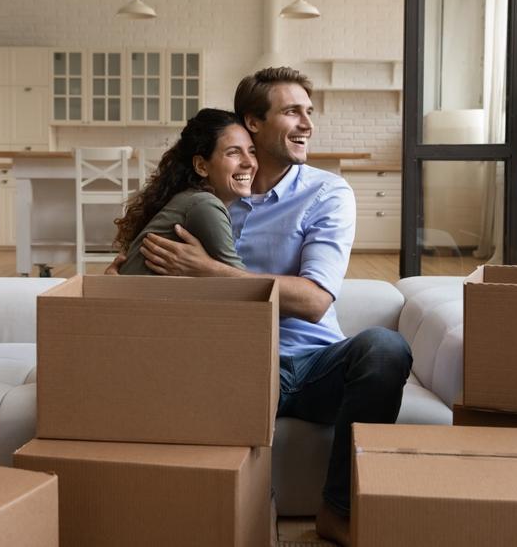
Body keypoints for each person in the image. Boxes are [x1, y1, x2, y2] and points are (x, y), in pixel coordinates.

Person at [137, 67, 412, 547]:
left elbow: (314, 300)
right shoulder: (212, 198)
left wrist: (213, 272)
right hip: (235, 364)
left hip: (312, 364)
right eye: (292, 111)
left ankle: (337, 511)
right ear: (254, 123)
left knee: (386, 348)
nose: (307, 123)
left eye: (309, 111)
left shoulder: (327, 193)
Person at [115, 108, 256, 275]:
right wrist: (209, 269)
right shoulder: (204, 205)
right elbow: (247, 287)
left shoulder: (189, 198)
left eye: (252, 152)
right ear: (202, 166)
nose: (249, 163)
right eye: (233, 152)